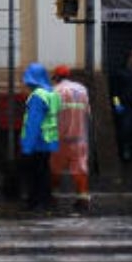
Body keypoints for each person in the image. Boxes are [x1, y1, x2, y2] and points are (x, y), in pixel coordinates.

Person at [48, 65, 92, 212]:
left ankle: (53, 196)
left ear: (56, 78)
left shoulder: (55, 91)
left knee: (55, 167)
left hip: (60, 138)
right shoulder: (81, 89)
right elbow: (87, 112)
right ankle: (83, 199)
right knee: (80, 168)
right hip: (80, 138)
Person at [20, 62, 60, 210]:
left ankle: (36, 202)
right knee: (44, 171)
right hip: (49, 140)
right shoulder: (52, 93)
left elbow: (33, 123)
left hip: (37, 142)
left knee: (34, 174)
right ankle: (46, 200)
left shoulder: (37, 96)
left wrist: (27, 146)